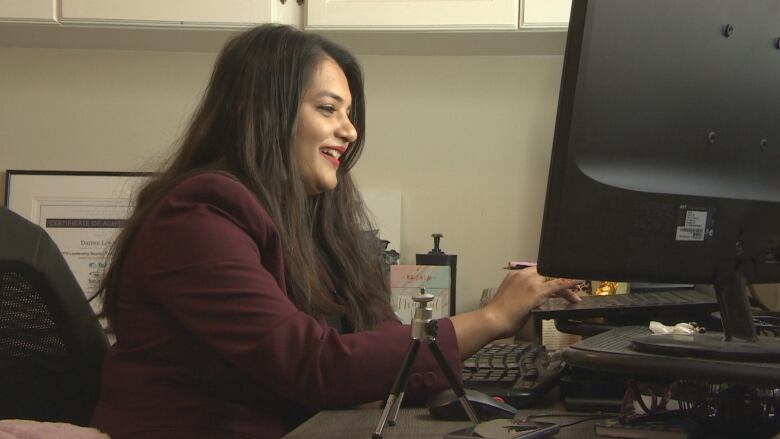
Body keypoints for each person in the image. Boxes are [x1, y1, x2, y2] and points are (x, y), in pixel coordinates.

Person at [89, 24, 582, 439]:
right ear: (260, 111)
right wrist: (494, 316)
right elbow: (316, 365)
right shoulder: (197, 216)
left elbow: (376, 341)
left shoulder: (306, 222)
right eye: (328, 109)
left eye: (349, 114)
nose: (350, 131)